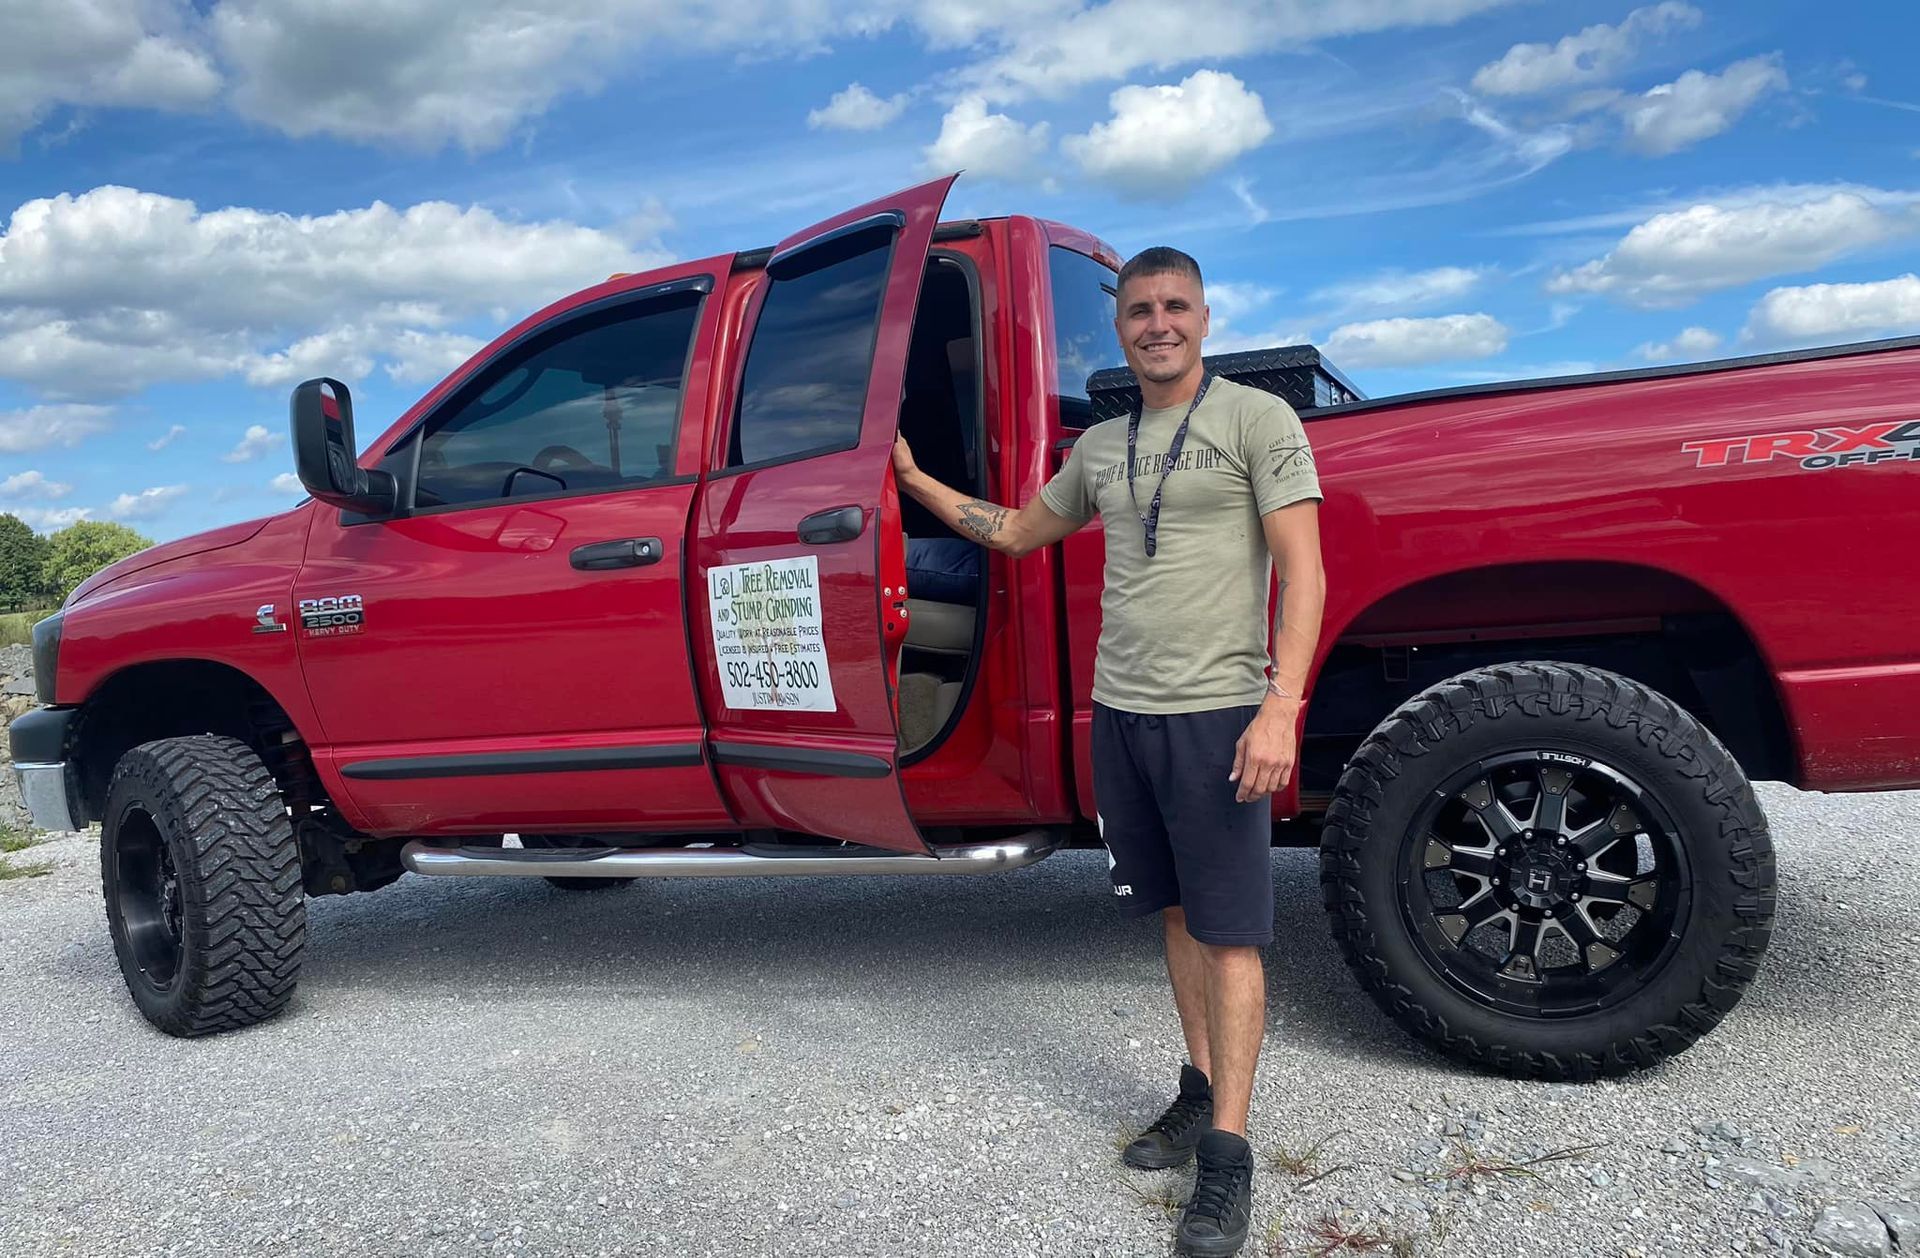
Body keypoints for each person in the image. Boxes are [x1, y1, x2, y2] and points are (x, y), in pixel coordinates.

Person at [892, 246, 1325, 1257]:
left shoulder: (1260, 422)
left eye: (1175, 306)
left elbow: (1303, 574)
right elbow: (1013, 533)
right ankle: (1198, 1087)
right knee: (1176, 913)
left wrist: (1281, 708)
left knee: (1230, 932)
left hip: (1218, 713)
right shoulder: (1101, 445)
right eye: (1139, 310)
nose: (1157, 323)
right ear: (1121, 326)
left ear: (1205, 318)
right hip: (1121, 717)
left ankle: (1227, 1157)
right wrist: (915, 480)